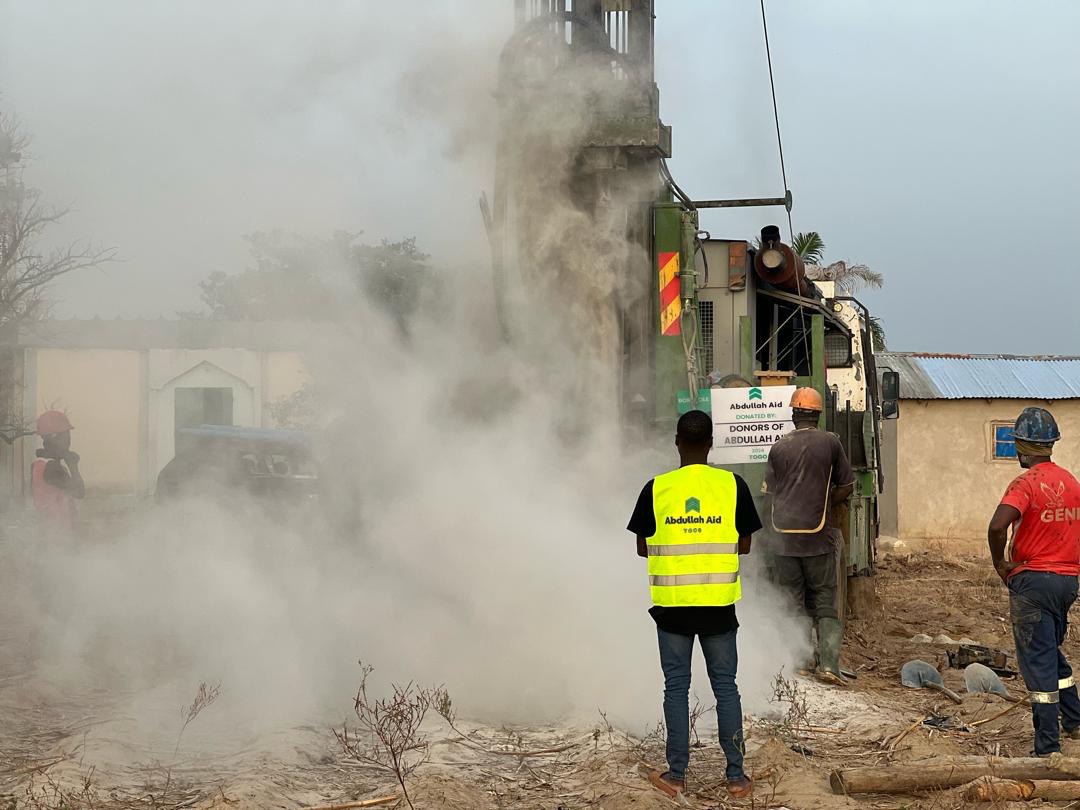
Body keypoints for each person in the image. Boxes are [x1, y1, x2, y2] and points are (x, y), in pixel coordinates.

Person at [627, 409, 759, 799]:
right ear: (711, 444)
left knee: (676, 689)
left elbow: (642, 547)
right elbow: (746, 544)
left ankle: (676, 775)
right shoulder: (732, 485)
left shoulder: (657, 488)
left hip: (673, 608)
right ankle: (737, 779)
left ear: (677, 442)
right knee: (726, 688)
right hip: (718, 605)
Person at [988, 406, 1080, 757]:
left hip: (1034, 581)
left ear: (1022, 446)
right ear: (1051, 444)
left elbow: (998, 526)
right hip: (1067, 582)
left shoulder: (1026, 483)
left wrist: (1001, 563)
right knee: (1051, 653)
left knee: (1038, 663)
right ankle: (1074, 719)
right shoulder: (1071, 481)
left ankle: (1047, 747)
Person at [763, 387, 854, 684]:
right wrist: (828, 501)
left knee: (792, 601)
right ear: (817, 414)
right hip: (818, 539)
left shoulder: (778, 448)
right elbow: (846, 486)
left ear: (793, 415)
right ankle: (828, 664)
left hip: (784, 540)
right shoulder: (830, 443)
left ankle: (800, 662)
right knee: (825, 599)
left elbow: (770, 496)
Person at [31, 410, 84, 531]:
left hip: (49, 534)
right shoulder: (53, 468)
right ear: (54, 437)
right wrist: (73, 465)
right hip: (58, 537)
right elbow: (79, 492)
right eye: (66, 436)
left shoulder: (39, 464)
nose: (69, 441)